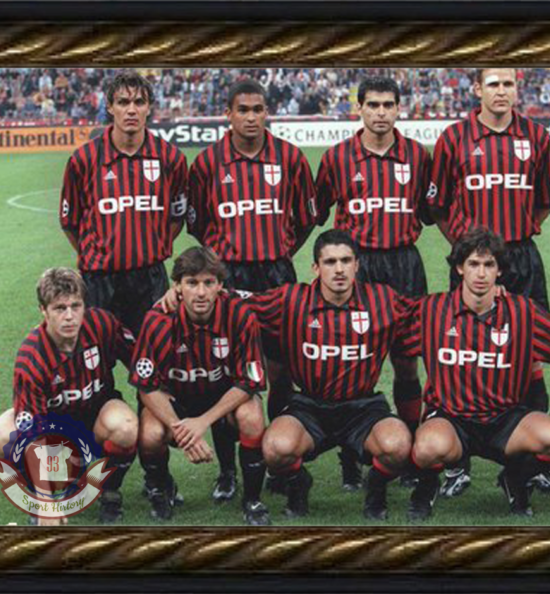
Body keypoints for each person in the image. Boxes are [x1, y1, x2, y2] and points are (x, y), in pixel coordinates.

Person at [402, 228, 550, 521]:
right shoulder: (432, 310)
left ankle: (515, 479)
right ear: (459, 268)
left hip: (505, 419)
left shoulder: (522, 311)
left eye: (489, 265)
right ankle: (425, 488)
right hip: (451, 418)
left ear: (499, 271)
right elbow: (385, 326)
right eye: (473, 264)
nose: (481, 273)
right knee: (427, 448)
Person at [426, 67, 550, 497]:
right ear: (477, 89)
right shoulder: (453, 138)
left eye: (508, 84)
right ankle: (457, 463)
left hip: (521, 259)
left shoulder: (536, 136)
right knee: (462, 353)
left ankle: (529, 465)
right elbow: (438, 206)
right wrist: (472, 255)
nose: (501, 91)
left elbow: (544, 201)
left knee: (532, 354)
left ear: (516, 89)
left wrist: (512, 244)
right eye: (493, 84)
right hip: (472, 263)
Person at [187, 78, 317, 502]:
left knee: (281, 371)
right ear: (228, 114)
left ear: (267, 113)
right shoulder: (207, 163)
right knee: (227, 375)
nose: (250, 117)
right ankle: (228, 471)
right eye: (242, 109)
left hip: (277, 275)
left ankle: (275, 458)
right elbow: (198, 224)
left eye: (258, 109)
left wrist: (279, 251)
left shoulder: (290, 158)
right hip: (229, 279)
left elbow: (306, 219)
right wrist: (223, 264)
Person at [314, 76, 433, 489]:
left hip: (404, 264)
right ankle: (351, 457)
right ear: (359, 108)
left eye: (388, 105)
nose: (381, 112)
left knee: (407, 363)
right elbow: (317, 212)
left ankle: (411, 452)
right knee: (349, 364)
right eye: (373, 105)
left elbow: (430, 210)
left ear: (399, 109)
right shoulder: (336, 158)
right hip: (356, 267)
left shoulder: (417, 156)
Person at [248, 230, 414, 521]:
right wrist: (180, 294)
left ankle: (376, 488)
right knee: (275, 449)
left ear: (357, 265)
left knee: (399, 446)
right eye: (330, 262)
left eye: (346, 261)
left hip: (363, 407)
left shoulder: (383, 300)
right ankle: (299, 483)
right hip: (309, 406)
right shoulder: (291, 299)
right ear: (315, 267)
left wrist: (490, 296)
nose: (339, 269)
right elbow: (237, 304)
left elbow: (433, 311)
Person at [129, 247, 270, 525]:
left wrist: (202, 422)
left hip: (223, 399)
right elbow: (146, 387)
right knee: (150, 432)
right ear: (177, 287)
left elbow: (249, 382)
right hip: (176, 403)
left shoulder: (240, 315)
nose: (201, 292)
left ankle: (251, 498)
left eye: (208, 282)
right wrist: (181, 429)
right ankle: (162, 489)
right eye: (192, 283)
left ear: (220, 285)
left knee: (252, 415)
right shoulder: (158, 320)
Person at [0, 268, 138, 525]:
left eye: (75, 306)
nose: (69, 316)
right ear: (43, 311)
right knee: (1, 436)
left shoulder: (102, 324)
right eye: (59, 308)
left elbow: (140, 361)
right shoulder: (31, 357)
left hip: (96, 420)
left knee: (125, 427)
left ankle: (109, 489)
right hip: (51, 433)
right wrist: (45, 500)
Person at [59, 70, 188, 336]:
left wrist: (153, 246)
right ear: (109, 107)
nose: (131, 110)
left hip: (150, 280)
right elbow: (70, 223)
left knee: (154, 356)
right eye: (123, 102)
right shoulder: (83, 160)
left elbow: (178, 216)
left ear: (149, 108)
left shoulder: (171, 158)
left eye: (139, 102)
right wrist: (98, 254)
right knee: (98, 358)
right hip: (99, 282)